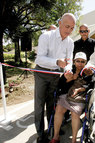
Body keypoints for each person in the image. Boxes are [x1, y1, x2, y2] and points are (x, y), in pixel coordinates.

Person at [34, 13, 76, 143]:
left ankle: (53, 129)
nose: (69, 31)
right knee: (40, 105)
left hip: (57, 75)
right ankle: (41, 134)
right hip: (41, 73)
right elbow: (39, 58)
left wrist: (68, 70)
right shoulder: (46, 36)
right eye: (67, 26)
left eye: (72, 28)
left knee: (52, 104)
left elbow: (69, 61)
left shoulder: (70, 42)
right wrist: (57, 62)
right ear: (59, 23)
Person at [50, 52, 95, 143]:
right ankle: (55, 137)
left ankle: (73, 140)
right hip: (66, 95)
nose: (80, 63)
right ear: (74, 61)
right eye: (78, 61)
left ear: (85, 63)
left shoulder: (88, 71)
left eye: (82, 61)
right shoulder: (69, 70)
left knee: (75, 114)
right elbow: (60, 85)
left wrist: (79, 89)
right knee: (58, 109)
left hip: (79, 97)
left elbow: (91, 86)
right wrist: (69, 80)